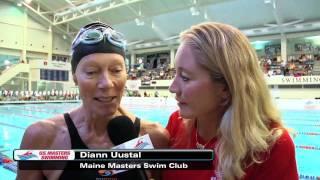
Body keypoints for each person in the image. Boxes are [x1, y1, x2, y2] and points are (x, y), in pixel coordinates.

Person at [17, 22, 168, 180]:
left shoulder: (154, 138)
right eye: (91, 72)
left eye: (116, 70)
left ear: (126, 74)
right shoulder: (42, 138)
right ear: (75, 78)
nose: (107, 83)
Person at [162, 22, 298, 180]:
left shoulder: (272, 147)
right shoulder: (177, 123)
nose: (172, 88)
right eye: (175, 74)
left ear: (225, 88)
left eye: (185, 77)